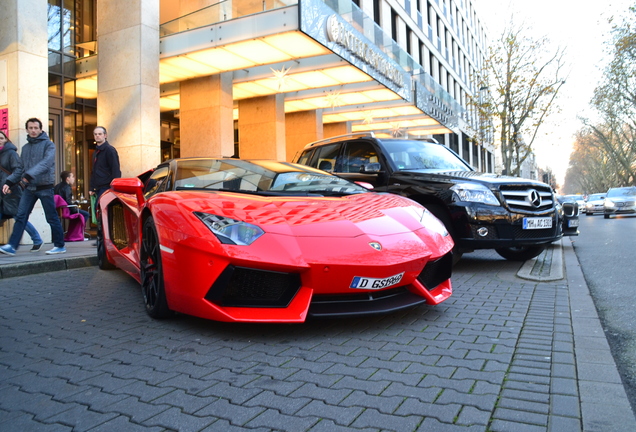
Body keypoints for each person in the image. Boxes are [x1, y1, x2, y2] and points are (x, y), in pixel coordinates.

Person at [0, 118, 66, 256]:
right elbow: (19, 169)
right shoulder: (25, 148)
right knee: (21, 216)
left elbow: (46, 163)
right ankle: (12, 246)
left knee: (51, 217)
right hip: (29, 189)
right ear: (27, 130)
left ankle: (59, 245)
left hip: (45, 187)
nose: (33, 130)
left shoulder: (49, 145)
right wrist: (9, 182)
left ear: (41, 129)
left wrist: (29, 175)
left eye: (36, 128)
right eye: (31, 128)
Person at [0, 130, 44, 252]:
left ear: (6, 140)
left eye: (1, 138)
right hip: (1, 192)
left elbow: (18, 171)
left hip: (11, 191)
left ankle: (37, 239)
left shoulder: (10, 153)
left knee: (18, 216)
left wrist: (9, 184)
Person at [89, 126, 120, 200]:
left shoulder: (110, 150)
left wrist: (115, 187)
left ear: (105, 135)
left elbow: (115, 169)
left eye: (100, 134)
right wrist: (92, 187)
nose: (97, 136)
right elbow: (94, 171)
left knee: (103, 209)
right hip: (98, 188)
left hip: (107, 187)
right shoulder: (95, 152)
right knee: (97, 209)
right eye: (95, 134)